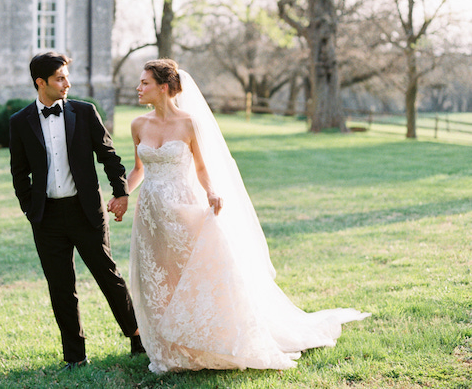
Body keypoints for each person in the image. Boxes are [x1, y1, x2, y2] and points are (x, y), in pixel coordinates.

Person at [126, 58, 370, 374]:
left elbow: (201, 167)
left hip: (183, 210)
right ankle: (169, 349)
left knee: (192, 277)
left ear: (162, 87)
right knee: (158, 279)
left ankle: (207, 341)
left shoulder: (188, 123)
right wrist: (121, 194)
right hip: (150, 217)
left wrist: (211, 192)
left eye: (144, 83)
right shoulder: (138, 125)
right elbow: (138, 170)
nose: (138, 88)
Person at [9, 51, 144, 371]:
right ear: (41, 83)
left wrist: (121, 192)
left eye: (66, 76)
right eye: (59, 78)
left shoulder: (85, 113)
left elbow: (109, 157)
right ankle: (74, 355)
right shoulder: (20, 121)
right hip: (47, 218)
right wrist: (31, 209)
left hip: (86, 211)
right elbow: (19, 172)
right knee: (61, 286)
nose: (67, 83)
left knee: (108, 276)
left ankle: (137, 336)